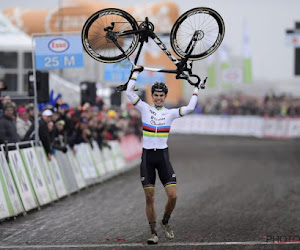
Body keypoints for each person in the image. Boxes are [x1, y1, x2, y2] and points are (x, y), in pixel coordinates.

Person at [126, 66, 201, 244]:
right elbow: (129, 91)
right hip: (147, 158)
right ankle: (153, 233)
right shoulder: (144, 109)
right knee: (149, 196)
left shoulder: (170, 113)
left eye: (161, 96)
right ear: (152, 96)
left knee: (173, 196)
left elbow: (190, 107)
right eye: (156, 95)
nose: (158, 98)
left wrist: (196, 89)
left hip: (162, 157)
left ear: (165, 97)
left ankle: (165, 221)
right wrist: (136, 72)